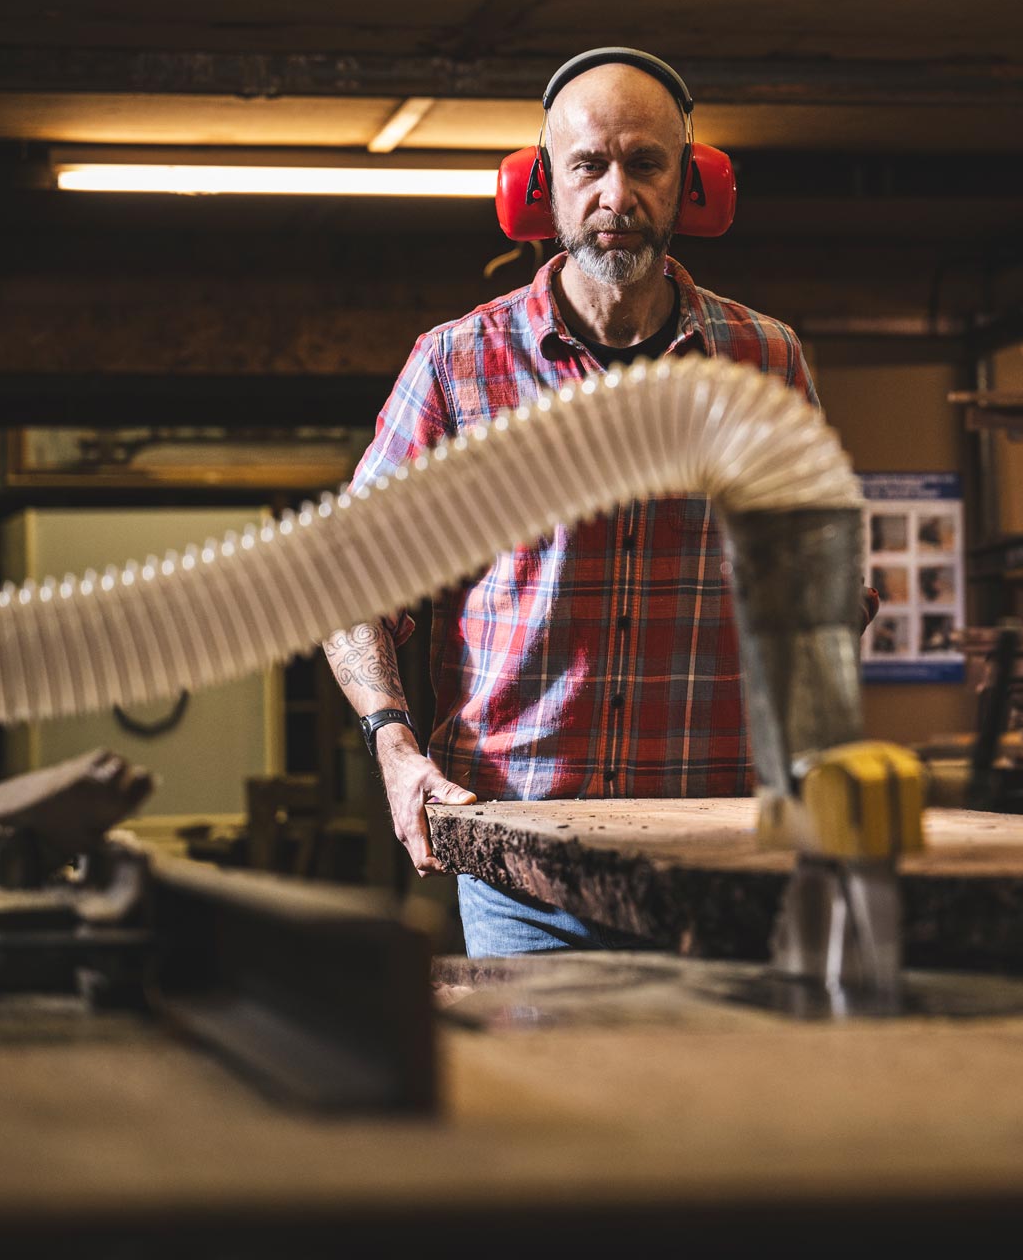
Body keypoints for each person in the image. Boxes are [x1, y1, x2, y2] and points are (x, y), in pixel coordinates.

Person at [322, 48, 861, 956]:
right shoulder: (459, 365)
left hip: (718, 857)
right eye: (589, 165)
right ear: (543, 187)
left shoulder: (765, 360)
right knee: (550, 1098)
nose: (619, 194)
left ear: (692, 184)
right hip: (519, 860)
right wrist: (392, 741)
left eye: (646, 163)